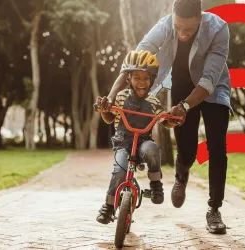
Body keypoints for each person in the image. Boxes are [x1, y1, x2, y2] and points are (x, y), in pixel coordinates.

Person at [99, 0, 232, 234]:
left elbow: (208, 80)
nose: (182, 34)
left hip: (213, 90)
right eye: (178, 27)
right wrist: (111, 96)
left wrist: (184, 106)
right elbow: (134, 62)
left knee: (217, 149)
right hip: (181, 85)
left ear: (200, 18)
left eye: (189, 30)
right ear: (172, 18)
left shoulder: (218, 29)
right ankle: (182, 175)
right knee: (187, 148)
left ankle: (214, 209)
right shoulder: (164, 26)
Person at [95, 50, 178, 225]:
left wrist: (172, 120)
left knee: (152, 149)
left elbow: (164, 120)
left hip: (143, 143)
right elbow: (110, 117)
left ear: (152, 80)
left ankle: (156, 184)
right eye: (137, 78)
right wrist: (104, 111)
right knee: (119, 171)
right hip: (122, 144)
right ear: (128, 79)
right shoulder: (120, 96)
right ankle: (109, 206)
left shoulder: (154, 101)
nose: (141, 83)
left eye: (146, 78)